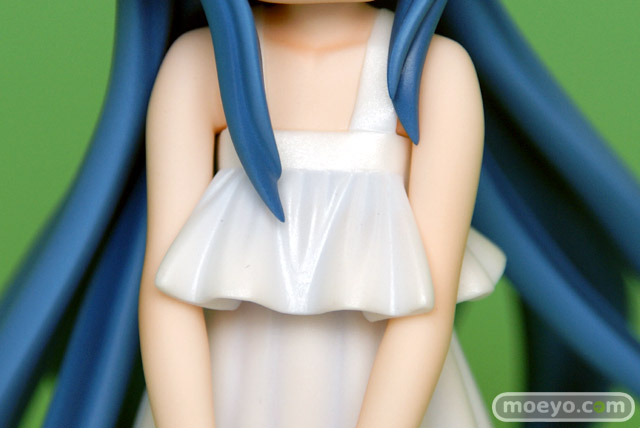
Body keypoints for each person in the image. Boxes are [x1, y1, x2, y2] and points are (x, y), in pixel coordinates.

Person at [1, 1, 638, 427]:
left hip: (388, 403)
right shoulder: (199, 68)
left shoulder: (434, 76)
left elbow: (428, 303)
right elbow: (165, 295)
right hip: (225, 401)